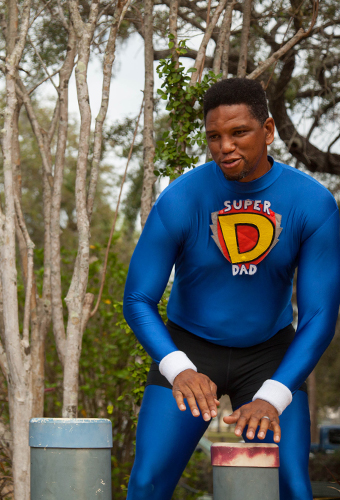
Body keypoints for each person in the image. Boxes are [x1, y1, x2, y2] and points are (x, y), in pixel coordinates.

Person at [123, 78, 340, 499]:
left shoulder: (310, 203)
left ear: (269, 131)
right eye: (214, 136)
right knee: (147, 484)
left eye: (238, 132)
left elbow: (318, 315)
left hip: (268, 355)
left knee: (292, 489)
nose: (225, 146)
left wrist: (274, 396)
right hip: (190, 349)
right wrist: (178, 368)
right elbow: (138, 299)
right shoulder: (182, 198)